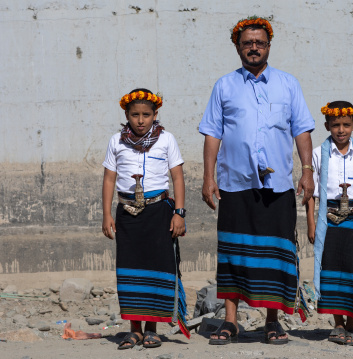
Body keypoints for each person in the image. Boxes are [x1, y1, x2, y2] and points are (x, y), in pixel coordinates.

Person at [199, 16, 315, 345]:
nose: (254, 48)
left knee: (276, 252)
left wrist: (307, 171)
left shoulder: (288, 84)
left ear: (268, 46)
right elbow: (212, 133)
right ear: (237, 46)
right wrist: (209, 176)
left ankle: (273, 322)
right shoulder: (224, 86)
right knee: (234, 252)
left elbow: (302, 130)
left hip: (277, 186)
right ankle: (231, 321)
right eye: (247, 43)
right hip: (235, 183)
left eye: (259, 43)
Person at [102, 88, 190, 350]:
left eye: (146, 115)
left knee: (156, 269)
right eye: (135, 115)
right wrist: (106, 214)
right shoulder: (116, 141)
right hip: (127, 215)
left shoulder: (166, 140)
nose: (140, 120)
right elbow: (109, 178)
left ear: (155, 115)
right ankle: (134, 329)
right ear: (126, 115)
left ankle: (152, 328)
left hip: (158, 212)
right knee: (130, 270)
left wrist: (179, 213)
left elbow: (177, 177)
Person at [306, 101, 353, 346]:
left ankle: (352, 325)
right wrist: (310, 223)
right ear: (327, 125)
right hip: (329, 220)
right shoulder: (319, 154)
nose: (341, 130)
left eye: (346, 125)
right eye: (335, 125)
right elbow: (312, 193)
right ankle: (337, 324)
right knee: (332, 269)